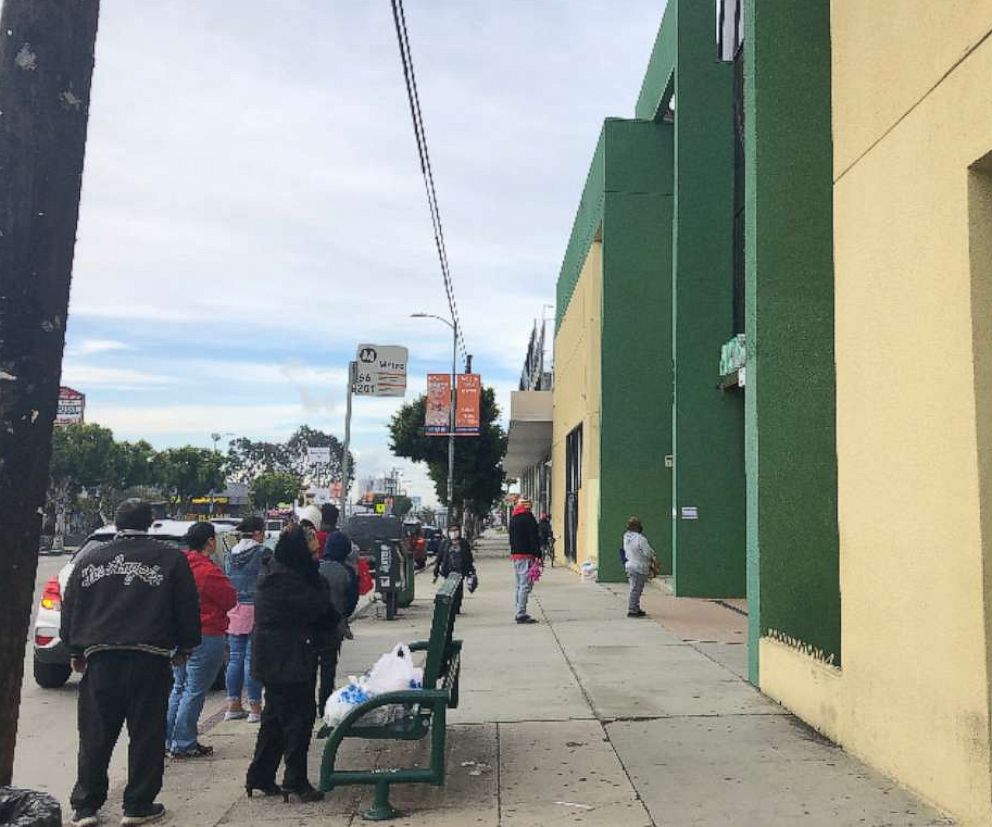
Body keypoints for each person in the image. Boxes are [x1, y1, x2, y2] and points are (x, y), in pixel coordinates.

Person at [62, 499, 201, 827]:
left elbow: (72, 607)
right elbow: (186, 606)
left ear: (115, 522)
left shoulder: (90, 558)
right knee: (147, 735)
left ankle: (86, 807)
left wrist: (74, 650)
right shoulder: (170, 559)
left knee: (95, 735)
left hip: (101, 659)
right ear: (151, 523)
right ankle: (137, 804)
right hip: (149, 659)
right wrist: (186, 646)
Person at [246, 525, 334, 802]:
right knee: (299, 718)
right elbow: (319, 608)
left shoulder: (277, 572)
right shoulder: (286, 581)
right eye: (312, 550)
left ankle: (260, 774)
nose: (316, 555)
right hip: (287, 659)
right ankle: (295, 780)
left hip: (280, 657)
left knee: (274, 718)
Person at [166, 521, 237, 758]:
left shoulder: (177, 566)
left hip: (177, 632)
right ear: (210, 542)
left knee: (179, 687)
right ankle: (184, 741)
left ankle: (169, 739)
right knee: (194, 690)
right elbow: (229, 599)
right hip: (206, 633)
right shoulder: (208, 571)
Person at [224, 516, 269, 723]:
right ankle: (255, 707)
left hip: (235, 608)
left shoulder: (229, 555)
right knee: (252, 659)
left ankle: (233, 705)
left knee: (235, 658)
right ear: (258, 533)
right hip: (256, 609)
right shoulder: (263, 553)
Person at [316, 504, 359, 716]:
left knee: (309, 666)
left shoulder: (315, 567)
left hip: (312, 624)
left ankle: (310, 704)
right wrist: (342, 616)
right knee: (328, 667)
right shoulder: (348, 572)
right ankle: (324, 704)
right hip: (334, 626)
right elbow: (352, 600)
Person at [508, 498, 542, 624]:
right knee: (525, 584)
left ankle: (518, 609)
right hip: (527, 555)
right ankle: (521, 613)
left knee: (519, 585)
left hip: (516, 556)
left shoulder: (513, 518)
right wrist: (538, 554)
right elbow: (533, 537)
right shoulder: (528, 518)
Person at [432, 522, 476, 614]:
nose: (454, 532)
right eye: (451, 530)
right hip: (448, 571)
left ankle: (457, 607)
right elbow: (439, 558)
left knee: (458, 591)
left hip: (460, 571)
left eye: (455, 530)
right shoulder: (445, 543)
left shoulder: (463, 543)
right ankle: (450, 606)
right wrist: (436, 571)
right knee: (449, 590)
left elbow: (469, 558)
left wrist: (471, 571)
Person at [622, 516, 658, 618]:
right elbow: (647, 552)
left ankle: (635, 608)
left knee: (635, 588)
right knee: (636, 589)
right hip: (639, 567)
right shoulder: (640, 539)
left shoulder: (626, 537)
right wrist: (653, 558)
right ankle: (632, 610)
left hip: (630, 565)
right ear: (637, 527)